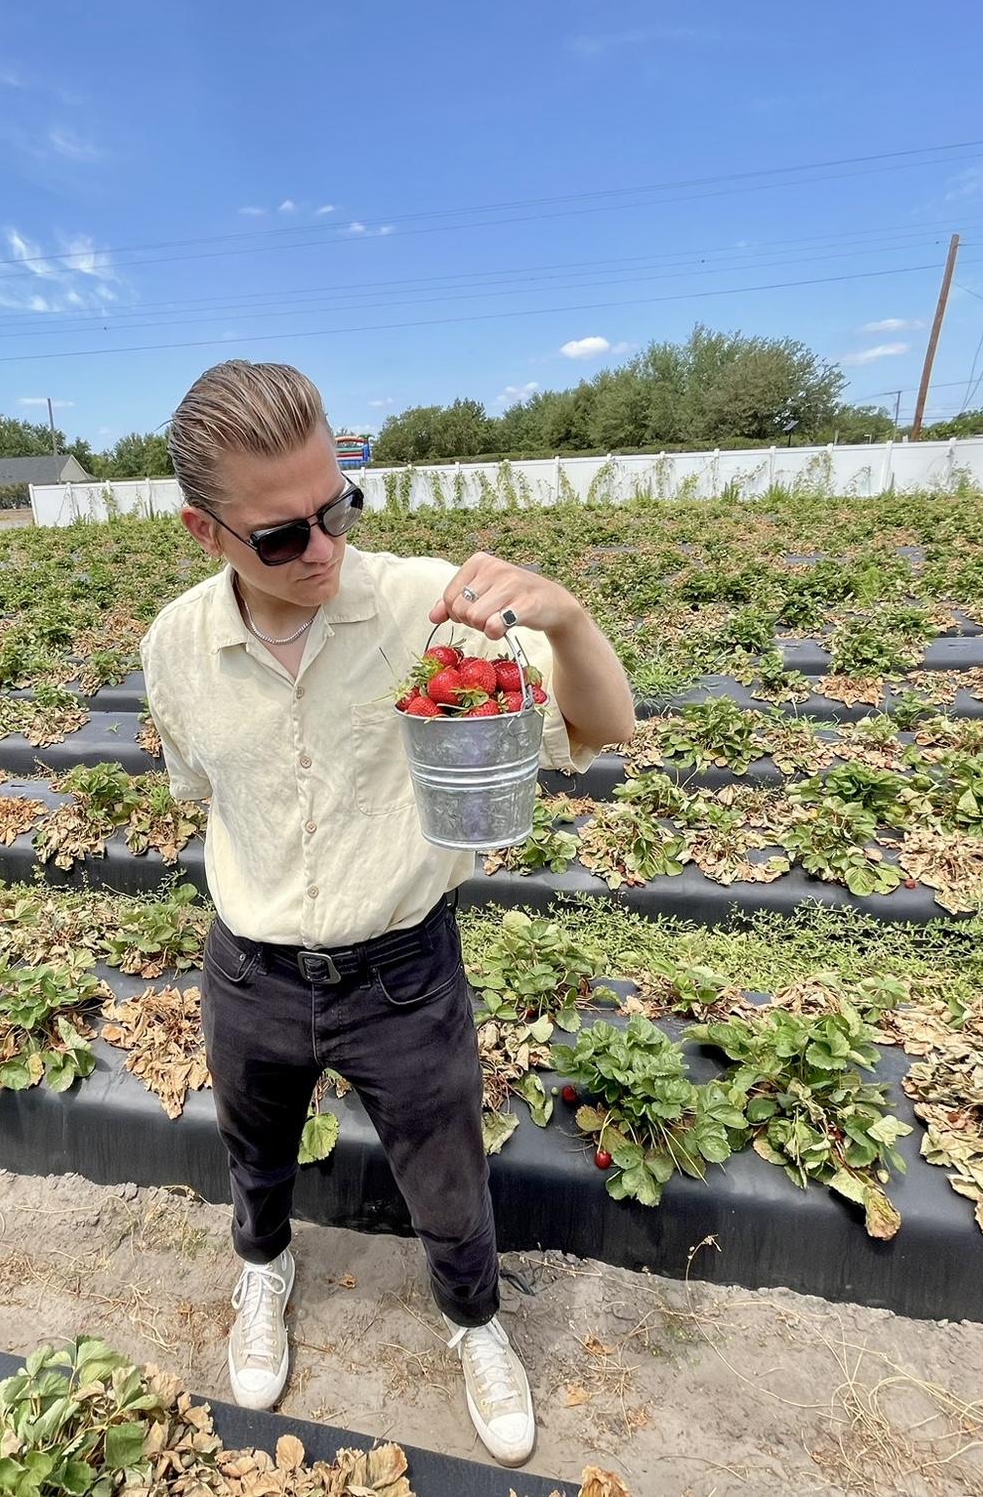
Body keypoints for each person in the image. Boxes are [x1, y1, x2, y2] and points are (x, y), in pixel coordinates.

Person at [140, 361, 635, 1467]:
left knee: (445, 1176)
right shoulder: (174, 648)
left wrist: (565, 616)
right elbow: (202, 792)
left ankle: (475, 1324)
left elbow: (604, 728)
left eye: (336, 511)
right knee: (255, 1152)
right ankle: (262, 1275)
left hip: (404, 971)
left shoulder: (427, 605)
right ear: (201, 531)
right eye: (280, 535)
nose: (321, 548)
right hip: (251, 968)